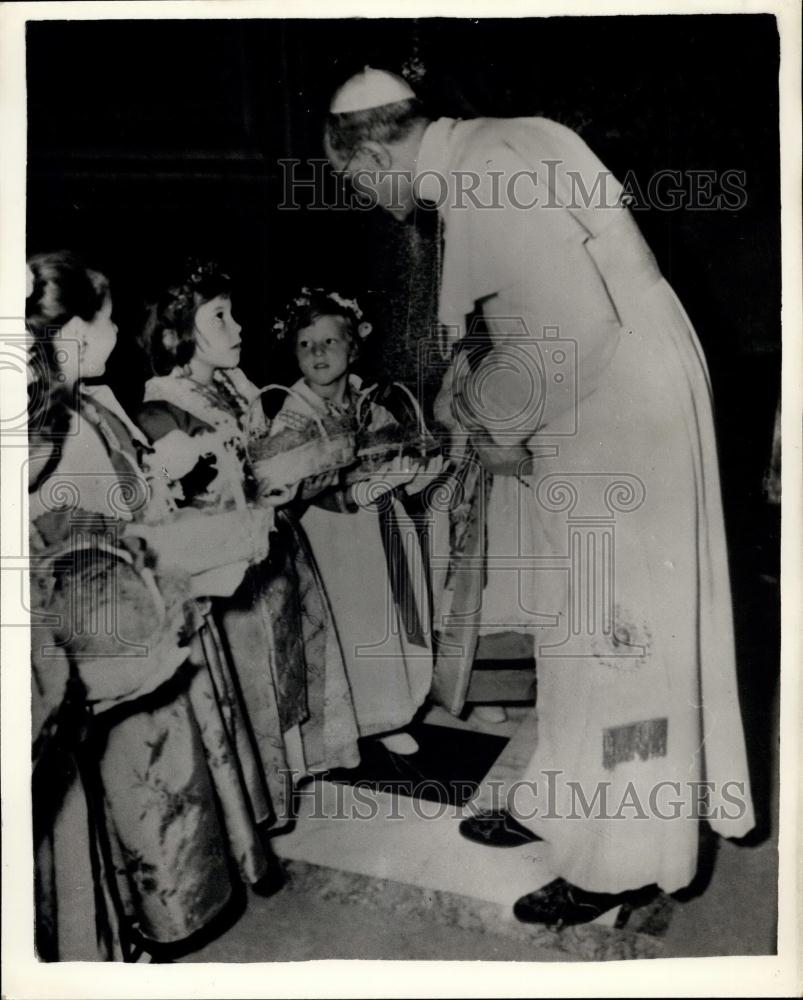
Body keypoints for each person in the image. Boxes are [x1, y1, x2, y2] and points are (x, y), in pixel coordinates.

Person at [323, 68, 755, 926]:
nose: (367, 198)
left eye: (356, 182)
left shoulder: (485, 168)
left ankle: (627, 858)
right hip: (602, 401)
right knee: (577, 623)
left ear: (373, 153)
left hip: (623, 408)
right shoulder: (494, 144)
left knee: (624, 642)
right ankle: (562, 801)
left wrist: (494, 425)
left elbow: (575, 330)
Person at [27, 251, 276, 959]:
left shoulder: (90, 401)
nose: (116, 333)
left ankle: (151, 907)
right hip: (95, 627)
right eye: (105, 320)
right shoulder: (50, 426)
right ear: (72, 331)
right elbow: (91, 533)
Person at [138, 263, 361, 810]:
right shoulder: (164, 407)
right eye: (220, 316)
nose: (238, 329)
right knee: (249, 674)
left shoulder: (235, 389)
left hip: (273, 549)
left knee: (290, 661)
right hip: (227, 569)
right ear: (178, 332)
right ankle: (255, 795)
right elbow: (177, 506)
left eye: (234, 314)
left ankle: (293, 770)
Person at [270, 288, 439, 756]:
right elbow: (295, 484)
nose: (317, 353)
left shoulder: (370, 404)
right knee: (349, 625)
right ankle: (353, 722)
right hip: (329, 538)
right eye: (306, 344)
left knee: (381, 620)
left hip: (377, 531)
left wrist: (408, 473)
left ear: (353, 345)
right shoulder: (292, 413)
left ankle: (388, 713)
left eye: (328, 341)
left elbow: (392, 454)